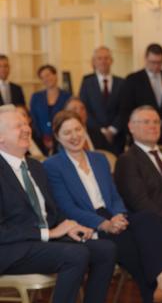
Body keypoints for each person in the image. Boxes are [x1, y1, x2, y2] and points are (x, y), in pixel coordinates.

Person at [43, 110, 162, 303]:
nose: (75, 136)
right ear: (57, 137)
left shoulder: (99, 159)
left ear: (84, 129)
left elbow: (114, 195)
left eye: (78, 129)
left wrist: (119, 215)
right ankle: (154, 294)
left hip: (112, 215)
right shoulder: (53, 165)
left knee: (149, 219)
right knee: (134, 247)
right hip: (85, 222)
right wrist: (104, 224)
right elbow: (67, 207)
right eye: (67, 132)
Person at [0, 104, 116, 303]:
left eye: (27, 124)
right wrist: (49, 233)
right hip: (11, 249)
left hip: (40, 242)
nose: (27, 129)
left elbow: (51, 212)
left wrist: (70, 226)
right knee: (75, 254)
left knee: (106, 250)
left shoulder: (35, 166)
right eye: (18, 126)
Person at [114, 105, 162, 288]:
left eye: (156, 121)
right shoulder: (127, 160)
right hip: (157, 227)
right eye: (146, 122)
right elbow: (140, 203)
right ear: (131, 127)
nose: (153, 126)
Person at [119, 44, 162, 153]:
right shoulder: (132, 80)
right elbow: (125, 111)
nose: (156, 66)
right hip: (142, 139)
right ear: (146, 59)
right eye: (153, 62)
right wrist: (132, 136)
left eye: (159, 62)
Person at [79, 46, 125, 154]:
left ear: (111, 61)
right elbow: (84, 109)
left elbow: (124, 109)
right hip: (94, 136)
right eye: (99, 58)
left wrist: (112, 130)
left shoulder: (122, 82)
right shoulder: (87, 83)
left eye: (106, 58)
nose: (103, 61)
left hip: (117, 137)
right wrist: (102, 131)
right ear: (94, 62)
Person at [30, 64, 71, 152]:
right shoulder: (36, 97)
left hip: (62, 140)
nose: (46, 79)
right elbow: (33, 119)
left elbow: (68, 118)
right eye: (42, 77)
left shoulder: (67, 96)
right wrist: (43, 138)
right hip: (40, 141)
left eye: (48, 75)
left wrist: (56, 138)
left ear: (55, 75)